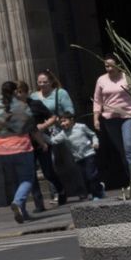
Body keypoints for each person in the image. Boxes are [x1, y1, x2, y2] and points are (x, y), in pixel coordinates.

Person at [93, 55, 131, 194]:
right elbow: (97, 100)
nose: (109, 69)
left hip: (128, 116)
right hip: (110, 118)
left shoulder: (128, 78)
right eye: (106, 66)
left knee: (129, 147)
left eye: (111, 66)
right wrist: (96, 118)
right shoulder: (101, 80)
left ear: (118, 65)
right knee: (122, 151)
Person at [0, 81, 37, 223]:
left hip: (1, 150)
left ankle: (22, 212)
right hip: (21, 147)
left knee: (15, 181)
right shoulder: (22, 106)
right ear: (14, 91)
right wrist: (42, 143)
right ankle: (17, 202)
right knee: (27, 178)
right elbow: (32, 127)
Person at [30, 69, 74, 204]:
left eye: (45, 82)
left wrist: (60, 120)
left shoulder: (60, 93)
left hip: (60, 131)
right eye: (40, 82)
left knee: (68, 161)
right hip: (43, 134)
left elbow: (70, 111)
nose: (42, 85)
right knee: (50, 164)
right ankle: (57, 193)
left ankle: (79, 189)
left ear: (51, 82)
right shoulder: (33, 97)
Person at [48, 112, 105, 201]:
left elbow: (92, 135)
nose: (63, 124)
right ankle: (100, 188)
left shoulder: (81, 127)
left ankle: (96, 194)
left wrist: (95, 142)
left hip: (89, 154)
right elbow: (52, 141)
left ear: (72, 120)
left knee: (91, 175)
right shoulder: (63, 134)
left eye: (65, 121)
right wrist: (40, 134)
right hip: (78, 158)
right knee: (85, 177)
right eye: (61, 122)